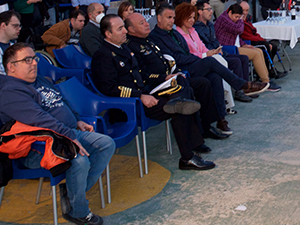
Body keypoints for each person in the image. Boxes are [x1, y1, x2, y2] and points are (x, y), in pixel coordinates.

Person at [0, 43, 113, 225]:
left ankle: (72, 191)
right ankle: (79, 211)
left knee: (106, 144)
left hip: (64, 135)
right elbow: (39, 119)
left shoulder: (40, 80)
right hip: (38, 147)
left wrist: (77, 121)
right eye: (27, 60)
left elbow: (62, 102)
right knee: (79, 160)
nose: (34, 63)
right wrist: (70, 136)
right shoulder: (10, 92)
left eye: (34, 58)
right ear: (11, 66)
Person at [91, 15, 215, 170]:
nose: (124, 31)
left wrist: (165, 78)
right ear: (108, 34)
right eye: (120, 29)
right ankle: (187, 157)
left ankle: (194, 142)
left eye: (124, 27)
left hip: (145, 94)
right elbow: (108, 89)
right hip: (128, 105)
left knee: (181, 84)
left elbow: (141, 75)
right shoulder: (103, 55)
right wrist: (140, 96)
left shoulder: (123, 48)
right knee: (178, 108)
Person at [148, 3, 270, 136]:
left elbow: (189, 52)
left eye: (173, 17)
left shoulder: (175, 33)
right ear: (159, 18)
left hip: (192, 63)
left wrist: (205, 54)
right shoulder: (156, 37)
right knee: (211, 62)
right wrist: (202, 57)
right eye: (169, 17)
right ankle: (241, 85)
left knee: (215, 77)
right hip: (180, 71)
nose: (172, 21)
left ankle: (218, 119)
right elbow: (176, 58)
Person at [124, 12, 228, 140]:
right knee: (186, 90)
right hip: (155, 85)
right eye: (142, 23)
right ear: (131, 29)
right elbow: (142, 75)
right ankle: (195, 137)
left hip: (170, 77)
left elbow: (168, 61)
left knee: (205, 82)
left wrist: (176, 72)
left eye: (145, 21)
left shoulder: (149, 40)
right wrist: (164, 77)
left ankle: (207, 126)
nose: (147, 24)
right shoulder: (132, 46)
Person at [213, 2, 282, 86]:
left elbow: (236, 37)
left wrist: (244, 44)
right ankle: (266, 81)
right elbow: (238, 30)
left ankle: (266, 78)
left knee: (259, 51)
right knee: (256, 54)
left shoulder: (231, 18)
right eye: (236, 17)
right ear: (230, 12)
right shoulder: (224, 20)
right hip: (229, 48)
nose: (238, 19)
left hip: (237, 46)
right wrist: (241, 20)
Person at [193, 0, 252, 82]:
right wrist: (215, 49)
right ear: (200, 12)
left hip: (219, 51)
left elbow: (215, 40)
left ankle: (246, 85)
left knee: (244, 58)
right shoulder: (196, 28)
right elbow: (204, 45)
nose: (211, 11)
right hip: (210, 55)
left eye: (211, 9)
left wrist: (218, 47)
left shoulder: (210, 25)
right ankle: (241, 87)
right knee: (236, 61)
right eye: (208, 9)